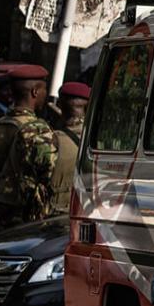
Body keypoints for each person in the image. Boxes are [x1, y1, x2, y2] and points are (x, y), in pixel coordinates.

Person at [0, 65, 55, 226]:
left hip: (5, 212)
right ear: (35, 92)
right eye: (44, 90)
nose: (45, 95)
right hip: (33, 217)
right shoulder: (40, 130)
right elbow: (49, 174)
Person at [49, 82, 90, 216]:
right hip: (90, 212)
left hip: (58, 213)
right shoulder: (101, 138)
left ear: (59, 105)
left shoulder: (52, 139)